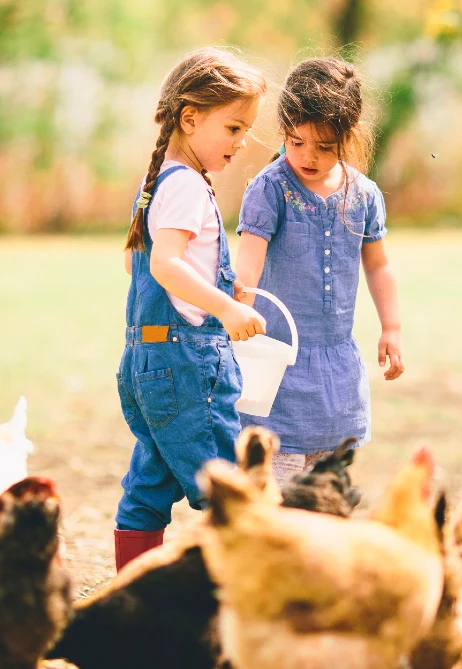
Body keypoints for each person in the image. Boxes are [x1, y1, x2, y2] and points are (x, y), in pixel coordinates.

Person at [115, 47, 267, 571]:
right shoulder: (185, 187)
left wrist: (219, 290)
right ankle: (239, 597)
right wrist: (224, 308)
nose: (241, 141)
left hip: (148, 366)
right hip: (185, 368)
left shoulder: (160, 181)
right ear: (190, 118)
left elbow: (152, 272)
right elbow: (165, 266)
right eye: (233, 127)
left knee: (150, 484)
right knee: (229, 487)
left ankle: (134, 593)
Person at [235, 57, 405, 484]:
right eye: (296, 142)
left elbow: (379, 266)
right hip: (277, 368)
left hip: (337, 375)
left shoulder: (363, 194)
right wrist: (237, 310)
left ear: (348, 137)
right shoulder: (270, 189)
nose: (308, 156)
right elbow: (248, 266)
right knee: (278, 491)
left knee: (329, 493)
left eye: (325, 146)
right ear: (284, 131)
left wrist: (392, 327)